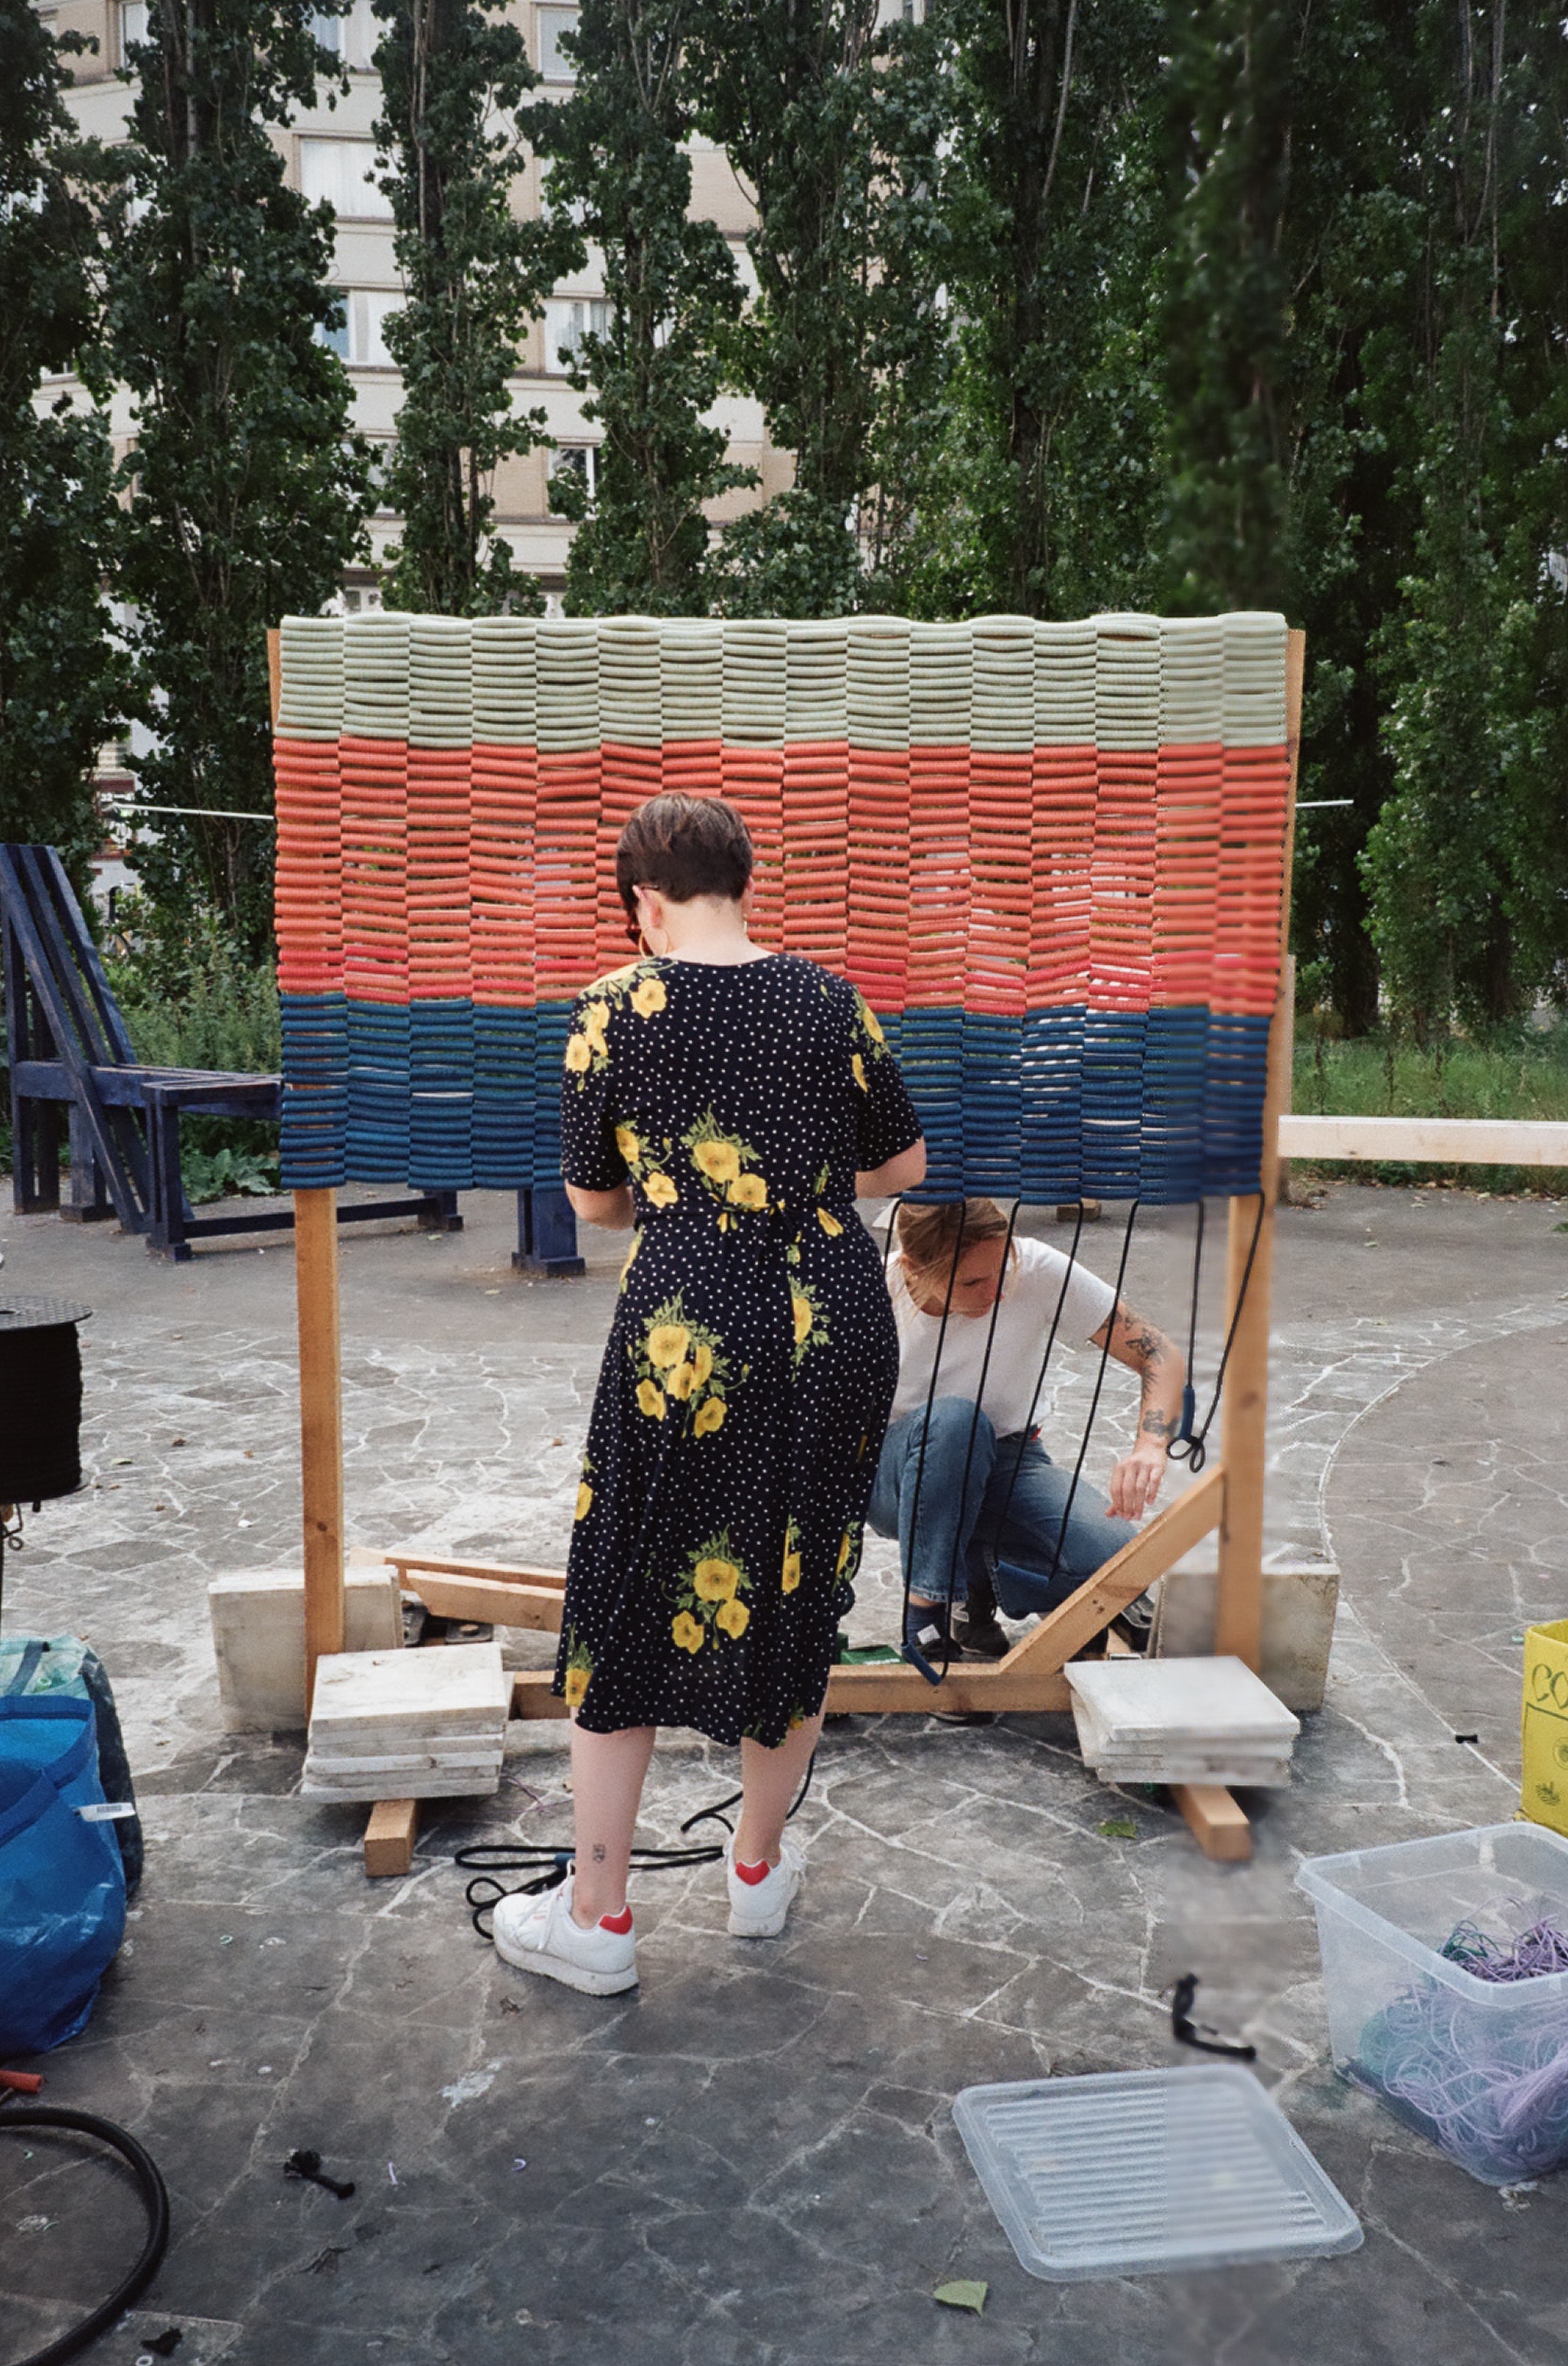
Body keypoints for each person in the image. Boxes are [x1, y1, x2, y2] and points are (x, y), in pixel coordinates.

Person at [492, 794, 926, 1995]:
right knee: (792, 1576)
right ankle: (752, 1874)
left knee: (630, 1582)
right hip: (833, 1313)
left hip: (692, 1323)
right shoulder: (829, 996)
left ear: (643, 899)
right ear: (745, 880)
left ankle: (600, 1918)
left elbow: (591, 1203)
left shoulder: (614, 1008)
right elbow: (905, 1164)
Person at [870, 1198, 1184, 1664]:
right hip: (903, 1470)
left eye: (1003, 1270)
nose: (997, 1291)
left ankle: (974, 1586)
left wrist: (1151, 1446)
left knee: (1116, 1560)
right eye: (974, 1281)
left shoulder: (1036, 1266)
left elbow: (1160, 1354)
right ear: (915, 1267)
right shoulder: (872, 1287)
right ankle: (926, 1622)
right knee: (957, 1420)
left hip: (1009, 1458)